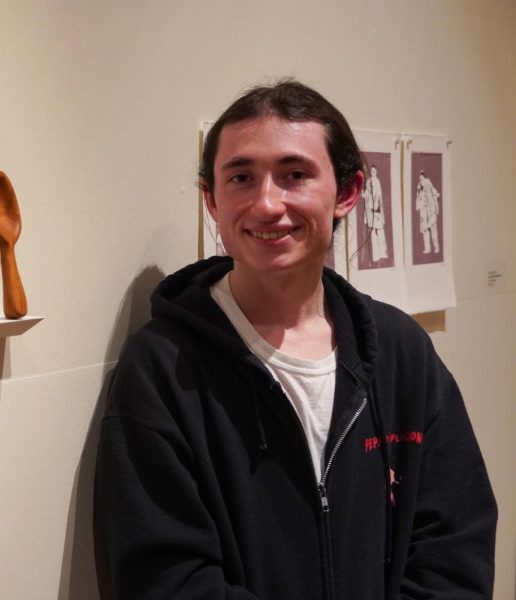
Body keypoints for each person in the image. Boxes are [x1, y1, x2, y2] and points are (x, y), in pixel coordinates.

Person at [94, 80, 496, 599]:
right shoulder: (162, 367)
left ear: (347, 194)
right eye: (241, 177)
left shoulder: (402, 351)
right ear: (211, 201)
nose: (266, 204)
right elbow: (166, 577)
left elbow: (454, 544)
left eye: (295, 175)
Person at [363, 164, 388, 263]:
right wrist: (364, 193)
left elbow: (380, 196)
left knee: (380, 231)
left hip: (377, 210)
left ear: (376, 172)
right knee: (373, 233)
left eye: (374, 171)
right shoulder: (368, 182)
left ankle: (383, 252)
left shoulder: (377, 181)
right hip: (370, 210)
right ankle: (376, 255)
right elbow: (366, 195)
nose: (373, 173)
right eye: (371, 171)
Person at [415, 171, 441, 254]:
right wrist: (419, 191)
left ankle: (436, 247)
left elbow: (435, 194)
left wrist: (433, 206)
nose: (421, 180)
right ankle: (427, 248)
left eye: (422, 178)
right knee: (425, 230)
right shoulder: (419, 188)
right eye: (420, 179)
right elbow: (418, 201)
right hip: (423, 212)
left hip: (430, 210)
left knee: (433, 228)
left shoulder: (428, 184)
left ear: (425, 178)